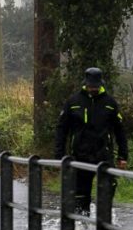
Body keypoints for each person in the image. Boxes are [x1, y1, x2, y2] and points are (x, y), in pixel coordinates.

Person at [55, 67, 128, 215]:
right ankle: (82, 228)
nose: (93, 88)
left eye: (95, 86)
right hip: (80, 155)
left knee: (107, 192)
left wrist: (123, 156)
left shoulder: (110, 103)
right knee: (81, 197)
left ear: (101, 84)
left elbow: (120, 130)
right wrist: (60, 155)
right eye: (90, 85)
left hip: (104, 155)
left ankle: (104, 226)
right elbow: (61, 129)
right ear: (85, 83)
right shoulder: (73, 102)